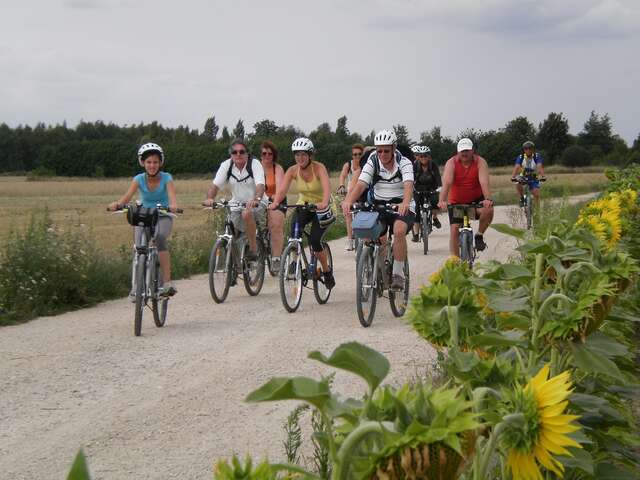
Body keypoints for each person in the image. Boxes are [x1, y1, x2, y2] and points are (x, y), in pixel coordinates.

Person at [343, 129, 415, 291]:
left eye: (386, 150)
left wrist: (405, 202)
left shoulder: (404, 162)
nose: (382, 154)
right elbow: (361, 184)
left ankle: (398, 274)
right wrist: (348, 201)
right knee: (370, 233)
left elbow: (408, 184)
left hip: (401, 204)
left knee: (398, 231)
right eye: (379, 150)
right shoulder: (372, 160)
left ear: (394, 148)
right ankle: (376, 268)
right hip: (379, 205)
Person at [108, 142, 178, 296]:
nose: (152, 165)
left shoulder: (167, 178)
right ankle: (136, 285)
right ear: (142, 163)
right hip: (144, 215)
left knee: (160, 238)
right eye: (148, 162)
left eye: (155, 162)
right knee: (139, 246)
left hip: (162, 215)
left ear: (160, 163)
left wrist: (173, 206)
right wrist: (118, 204)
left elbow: (173, 198)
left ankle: (167, 283)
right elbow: (126, 198)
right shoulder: (138, 179)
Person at [269, 137, 336, 289]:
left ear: (310, 155)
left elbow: (327, 189)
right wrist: (275, 203)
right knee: (294, 231)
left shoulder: (319, 168)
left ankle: (326, 271)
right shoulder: (292, 170)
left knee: (314, 240)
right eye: (297, 155)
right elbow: (282, 191)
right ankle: (294, 260)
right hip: (304, 206)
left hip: (322, 207)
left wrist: (324, 202)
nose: (300, 158)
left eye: (303, 155)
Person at [204, 139, 266, 262]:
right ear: (231, 154)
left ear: (247, 153)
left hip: (257, 202)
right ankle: (235, 264)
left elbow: (260, 185)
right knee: (233, 231)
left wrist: (256, 199)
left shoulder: (254, 164)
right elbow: (215, 185)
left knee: (246, 214)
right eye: (234, 152)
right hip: (236, 203)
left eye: (242, 151)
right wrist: (210, 198)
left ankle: (253, 249)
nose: (238, 154)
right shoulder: (226, 165)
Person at [438, 138, 494, 257]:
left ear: (473, 150)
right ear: (458, 152)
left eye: (467, 150)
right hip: (456, 202)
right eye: (462, 151)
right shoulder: (451, 163)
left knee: (489, 210)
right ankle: (455, 261)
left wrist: (488, 199)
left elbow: (484, 182)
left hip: (476, 200)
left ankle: (479, 235)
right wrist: (442, 200)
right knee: (454, 229)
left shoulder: (480, 162)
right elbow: (447, 182)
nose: (464, 153)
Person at [260, 140, 286, 272]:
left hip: (276, 199)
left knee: (275, 225)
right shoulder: (255, 167)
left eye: (270, 154)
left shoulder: (278, 168)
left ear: (274, 155)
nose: (267, 156)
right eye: (264, 153)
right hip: (259, 201)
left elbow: (280, 188)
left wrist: (273, 199)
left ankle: (276, 258)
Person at [410, 144, 442, 242]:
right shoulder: (415, 165)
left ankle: (435, 218)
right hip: (418, 189)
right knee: (416, 210)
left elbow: (437, 177)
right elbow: (411, 178)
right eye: (421, 156)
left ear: (429, 156)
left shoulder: (433, 165)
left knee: (435, 202)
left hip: (431, 188)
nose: (423, 158)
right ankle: (416, 234)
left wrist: (440, 187)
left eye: (425, 156)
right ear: (418, 157)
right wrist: (411, 188)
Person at [337, 144, 365, 251]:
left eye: (359, 154)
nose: (357, 156)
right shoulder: (349, 164)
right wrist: (341, 185)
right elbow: (343, 175)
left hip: (362, 191)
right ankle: (349, 240)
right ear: (352, 156)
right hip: (350, 191)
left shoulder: (365, 164)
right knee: (348, 213)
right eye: (355, 154)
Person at [511, 140, 546, 205]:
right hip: (523, 176)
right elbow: (517, 166)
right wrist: (513, 177)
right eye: (526, 148)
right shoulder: (521, 157)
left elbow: (539, 166)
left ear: (533, 149)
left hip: (534, 177)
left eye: (530, 148)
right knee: (517, 182)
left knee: (536, 194)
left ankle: (537, 211)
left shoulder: (536, 156)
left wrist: (543, 176)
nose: (528, 150)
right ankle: (522, 198)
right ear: (524, 149)